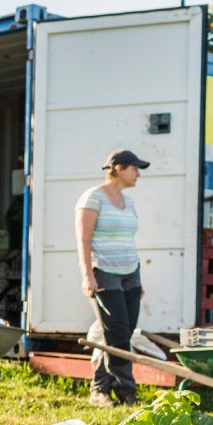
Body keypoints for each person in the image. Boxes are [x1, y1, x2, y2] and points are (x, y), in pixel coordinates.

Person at [77, 148, 148, 408]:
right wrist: (87, 276)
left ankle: (100, 390)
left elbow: (128, 239)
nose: (138, 174)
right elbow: (83, 239)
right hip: (104, 273)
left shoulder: (128, 202)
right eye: (135, 168)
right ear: (118, 169)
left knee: (121, 334)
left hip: (131, 273)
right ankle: (126, 392)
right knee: (117, 333)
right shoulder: (93, 197)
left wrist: (138, 280)